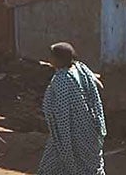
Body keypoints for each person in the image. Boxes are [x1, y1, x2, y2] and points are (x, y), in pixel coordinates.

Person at [38, 41, 106, 175]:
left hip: (69, 132)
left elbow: (62, 113)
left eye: (52, 56)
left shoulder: (61, 79)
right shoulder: (80, 68)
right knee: (90, 165)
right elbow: (99, 85)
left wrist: (64, 138)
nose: (49, 59)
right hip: (87, 128)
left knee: (52, 166)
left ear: (59, 59)